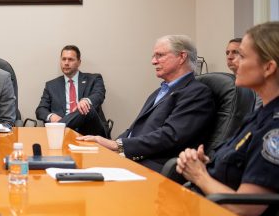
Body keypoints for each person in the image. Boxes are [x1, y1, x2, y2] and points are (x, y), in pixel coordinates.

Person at [176, 22, 279, 216]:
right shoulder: (258, 115)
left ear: (269, 67)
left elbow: (245, 206)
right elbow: (240, 164)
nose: (234, 62)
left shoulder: (274, 129)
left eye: (242, 55)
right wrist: (202, 163)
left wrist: (199, 175)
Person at [78, 35, 216, 171]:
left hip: (154, 167)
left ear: (182, 57)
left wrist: (118, 146)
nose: (153, 61)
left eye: (160, 55)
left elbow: (170, 136)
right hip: (131, 159)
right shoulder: (158, 92)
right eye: (153, 56)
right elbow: (134, 130)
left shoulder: (197, 93)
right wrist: (110, 145)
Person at [35, 44, 109, 136]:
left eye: (70, 59)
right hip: (65, 134)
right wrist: (51, 116)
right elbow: (40, 110)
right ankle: (62, 126)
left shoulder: (94, 79)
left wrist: (86, 101)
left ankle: (60, 127)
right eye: (63, 59)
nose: (66, 63)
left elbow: (99, 95)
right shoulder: (51, 85)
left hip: (90, 130)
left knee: (86, 107)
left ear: (79, 62)